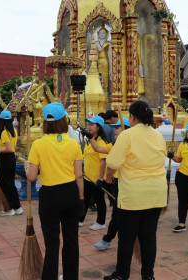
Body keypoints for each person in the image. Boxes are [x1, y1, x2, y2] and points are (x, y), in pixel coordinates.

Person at [104, 101, 167, 280]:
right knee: (148, 236)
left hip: (133, 194)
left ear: (132, 117)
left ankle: (122, 275)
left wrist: (109, 176)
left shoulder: (127, 135)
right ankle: (148, 276)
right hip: (156, 192)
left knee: (126, 237)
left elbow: (113, 163)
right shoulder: (158, 135)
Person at [25, 102, 84, 280]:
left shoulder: (38, 144)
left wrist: (28, 167)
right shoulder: (73, 144)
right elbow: (79, 176)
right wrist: (81, 199)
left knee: (52, 243)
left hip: (49, 196)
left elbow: (32, 177)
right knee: (71, 240)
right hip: (70, 194)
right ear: (64, 120)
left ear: (45, 122)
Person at [83, 118, 131, 251]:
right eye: (115, 128)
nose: (115, 130)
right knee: (117, 213)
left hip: (129, 183)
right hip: (118, 182)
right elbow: (98, 148)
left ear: (126, 130)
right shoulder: (114, 144)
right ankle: (107, 239)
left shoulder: (130, 145)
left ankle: (109, 239)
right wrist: (90, 137)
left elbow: (112, 163)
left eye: (118, 128)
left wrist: (107, 175)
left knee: (119, 214)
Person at [0, 110, 23, 216]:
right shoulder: (13, 130)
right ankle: (17, 207)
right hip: (11, 160)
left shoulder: (4, 132)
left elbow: (9, 149)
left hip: (5, 159)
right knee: (10, 184)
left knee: (5, 184)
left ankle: (8, 209)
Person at [80, 115, 108, 230]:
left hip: (97, 177)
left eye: (92, 125)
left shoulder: (101, 142)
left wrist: (100, 179)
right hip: (87, 176)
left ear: (98, 127)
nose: (89, 127)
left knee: (99, 200)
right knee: (85, 198)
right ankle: (80, 219)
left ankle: (101, 222)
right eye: (89, 124)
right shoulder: (89, 141)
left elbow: (103, 162)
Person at [96, 24, 111, 92]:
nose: (102, 34)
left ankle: (105, 92)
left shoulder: (108, 43)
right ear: (98, 34)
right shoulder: (96, 43)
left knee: (105, 76)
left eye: (104, 33)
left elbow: (110, 55)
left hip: (105, 61)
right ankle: (98, 90)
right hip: (98, 61)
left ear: (107, 34)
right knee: (98, 76)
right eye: (100, 33)